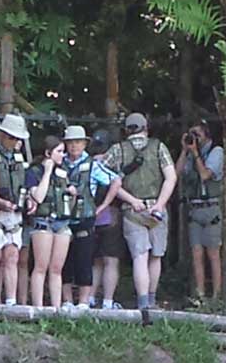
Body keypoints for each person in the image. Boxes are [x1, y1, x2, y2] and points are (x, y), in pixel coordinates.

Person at [106, 112, 177, 309]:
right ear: (146, 127)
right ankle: (152, 302)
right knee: (156, 256)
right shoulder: (159, 147)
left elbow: (104, 177)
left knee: (140, 256)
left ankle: (142, 303)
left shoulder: (117, 150)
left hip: (132, 209)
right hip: (157, 209)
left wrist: (131, 199)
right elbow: (171, 178)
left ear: (126, 130)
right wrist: (160, 205)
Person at [60, 125, 114, 310]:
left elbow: (115, 180)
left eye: (77, 142)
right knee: (64, 262)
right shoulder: (59, 162)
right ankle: (66, 301)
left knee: (84, 260)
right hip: (63, 219)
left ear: (84, 144)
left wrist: (103, 206)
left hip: (85, 219)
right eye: (70, 142)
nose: (74, 146)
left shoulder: (93, 165)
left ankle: (83, 302)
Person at [0, 113, 30, 305]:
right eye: (11, 137)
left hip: (15, 213)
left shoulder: (19, 158)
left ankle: (11, 301)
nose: (14, 141)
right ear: (2, 135)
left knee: (12, 256)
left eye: (17, 138)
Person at [25, 134, 72, 309]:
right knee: (40, 266)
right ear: (48, 153)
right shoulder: (34, 171)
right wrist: (47, 171)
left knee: (57, 268)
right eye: (59, 151)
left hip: (61, 222)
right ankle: (37, 307)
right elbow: (38, 196)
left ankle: (56, 307)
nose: (63, 155)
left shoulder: (64, 171)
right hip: (43, 221)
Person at [181, 119, 225, 302]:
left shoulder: (216, 152)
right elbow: (176, 173)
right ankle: (200, 295)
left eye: (197, 134)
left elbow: (206, 175)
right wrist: (185, 150)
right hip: (194, 207)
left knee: (213, 254)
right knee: (196, 254)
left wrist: (196, 154)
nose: (195, 138)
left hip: (211, 207)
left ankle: (217, 296)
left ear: (207, 135)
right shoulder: (190, 154)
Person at [88, 128, 125, 309]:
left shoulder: (87, 162)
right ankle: (108, 301)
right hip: (110, 215)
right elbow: (117, 184)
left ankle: (90, 298)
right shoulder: (111, 164)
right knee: (111, 260)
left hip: (90, 216)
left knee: (95, 260)